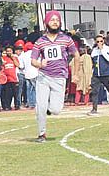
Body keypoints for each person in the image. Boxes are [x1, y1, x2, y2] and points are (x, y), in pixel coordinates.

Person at [32, 10, 78, 142]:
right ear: (47, 22)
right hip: (43, 77)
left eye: (57, 20)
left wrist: (75, 73)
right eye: (52, 20)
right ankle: (41, 134)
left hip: (59, 78)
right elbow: (33, 60)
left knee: (56, 110)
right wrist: (40, 64)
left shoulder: (66, 39)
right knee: (40, 106)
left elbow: (76, 55)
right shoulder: (40, 41)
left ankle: (48, 109)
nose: (55, 22)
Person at [89, 35, 109, 115]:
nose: (99, 43)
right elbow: (93, 61)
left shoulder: (107, 49)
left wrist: (102, 49)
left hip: (106, 74)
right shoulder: (94, 51)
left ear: (103, 41)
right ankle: (94, 108)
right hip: (96, 75)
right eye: (98, 41)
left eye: (101, 41)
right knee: (94, 91)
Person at [0, 46, 20, 110]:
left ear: (12, 51)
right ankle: (8, 106)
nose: (9, 52)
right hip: (7, 80)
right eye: (7, 51)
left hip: (14, 79)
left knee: (16, 94)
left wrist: (13, 58)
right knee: (8, 95)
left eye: (10, 51)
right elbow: (1, 67)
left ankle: (17, 106)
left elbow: (18, 65)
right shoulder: (3, 58)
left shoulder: (15, 58)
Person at [21, 42, 38, 108]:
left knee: (29, 90)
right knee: (35, 89)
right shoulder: (35, 53)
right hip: (35, 73)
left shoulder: (23, 55)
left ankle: (30, 103)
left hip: (27, 74)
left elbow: (22, 66)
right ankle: (35, 103)